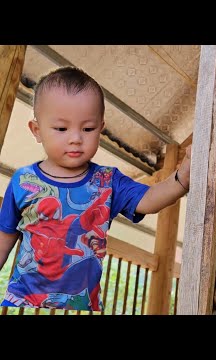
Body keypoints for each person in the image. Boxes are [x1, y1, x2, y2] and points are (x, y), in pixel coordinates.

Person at [0, 66, 191, 311]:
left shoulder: (107, 181)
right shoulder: (23, 180)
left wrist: (182, 178)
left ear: (100, 129)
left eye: (87, 129)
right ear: (37, 131)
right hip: (23, 304)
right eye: (61, 128)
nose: (75, 138)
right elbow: (5, 237)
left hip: (81, 305)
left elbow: (149, 199)